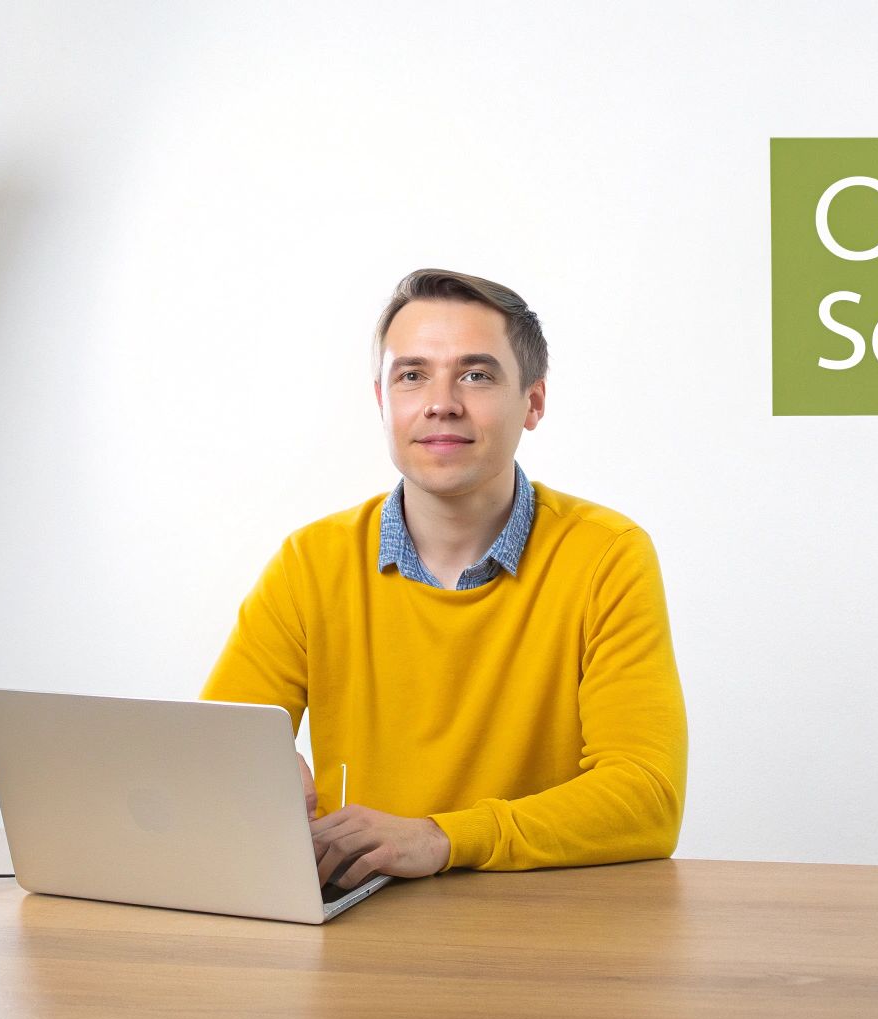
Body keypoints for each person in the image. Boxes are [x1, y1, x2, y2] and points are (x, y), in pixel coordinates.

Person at [201, 268, 686, 890]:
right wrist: (254, 769)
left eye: (476, 375)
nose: (441, 401)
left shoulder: (606, 557)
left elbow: (647, 797)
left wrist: (440, 837)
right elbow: (211, 752)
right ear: (384, 401)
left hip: (545, 923)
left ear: (533, 402)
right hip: (359, 920)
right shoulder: (311, 562)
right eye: (412, 375)